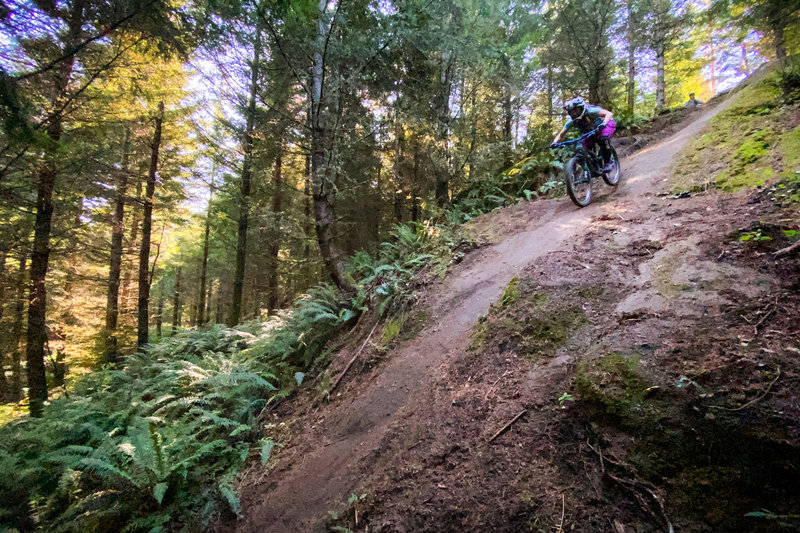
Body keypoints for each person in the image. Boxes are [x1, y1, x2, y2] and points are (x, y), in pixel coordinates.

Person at [552, 97, 616, 173]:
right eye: (572, 112)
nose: (574, 114)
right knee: (582, 148)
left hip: (606, 124)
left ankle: (608, 163)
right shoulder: (571, 121)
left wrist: (604, 123)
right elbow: (561, 134)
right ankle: (587, 170)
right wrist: (554, 142)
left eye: (575, 111)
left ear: (581, 108)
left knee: (603, 139)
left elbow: (609, 114)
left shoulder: (591, 111)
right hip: (591, 131)